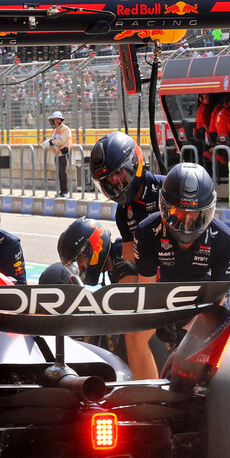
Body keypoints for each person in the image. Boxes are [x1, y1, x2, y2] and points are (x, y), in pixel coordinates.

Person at [88, 131, 164, 378]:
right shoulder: (123, 213)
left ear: (135, 161)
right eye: (108, 180)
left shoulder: (167, 188)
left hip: (188, 276)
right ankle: (149, 395)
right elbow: (131, 268)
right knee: (131, 330)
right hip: (156, 286)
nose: (115, 183)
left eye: (118, 173)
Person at [134, 163, 230, 325]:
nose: (187, 219)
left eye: (194, 213)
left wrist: (189, 328)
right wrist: (161, 322)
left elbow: (217, 302)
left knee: (227, 331)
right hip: (164, 298)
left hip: (207, 300)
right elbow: (148, 292)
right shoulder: (146, 232)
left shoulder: (225, 240)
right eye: (180, 211)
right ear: (165, 206)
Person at [47, 111, 72, 197]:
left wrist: (52, 142)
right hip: (57, 154)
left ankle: (65, 191)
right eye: (55, 119)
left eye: (58, 119)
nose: (56, 121)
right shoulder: (56, 130)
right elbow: (54, 139)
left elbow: (61, 140)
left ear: (61, 119)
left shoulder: (65, 129)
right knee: (60, 173)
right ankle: (62, 190)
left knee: (63, 173)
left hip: (63, 153)